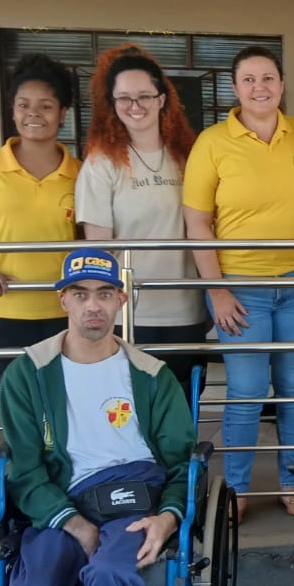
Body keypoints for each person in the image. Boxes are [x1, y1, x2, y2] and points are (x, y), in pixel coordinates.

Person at [0, 249, 196, 586]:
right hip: (59, 498)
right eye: (81, 294)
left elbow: (182, 463)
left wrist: (168, 518)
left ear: (121, 301)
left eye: (105, 294)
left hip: (134, 493)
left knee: (110, 572)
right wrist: (74, 523)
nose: (93, 305)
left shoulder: (151, 375)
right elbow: (24, 469)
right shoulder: (28, 373)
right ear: (63, 299)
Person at [182, 46, 294, 520]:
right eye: (248, 79)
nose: (259, 87)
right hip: (240, 286)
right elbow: (198, 223)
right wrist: (216, 290)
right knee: (246, 391)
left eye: (268, 78)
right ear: (235, 87)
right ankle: (236, 489)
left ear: (282, 84)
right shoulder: (212, 143)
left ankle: (292, 481)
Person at [76, 43, 210, 391]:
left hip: (187, 307)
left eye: (144, 96)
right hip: (131, 313)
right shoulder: (102, 163)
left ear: (162, 99)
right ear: (112, 103)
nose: (135, 106)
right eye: (124, 98)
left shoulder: (189, 155)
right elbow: (98, 250)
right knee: (129, 406)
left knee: (181, 402)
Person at [0, 53, 81, 353]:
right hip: (6, 306)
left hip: (65, 307)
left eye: (45, 106)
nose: (33, 114)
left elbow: (87, 238)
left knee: (63, 383)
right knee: (15, 382)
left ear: (62, 113)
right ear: (13, 111)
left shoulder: (80, 172)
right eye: (23, 105)